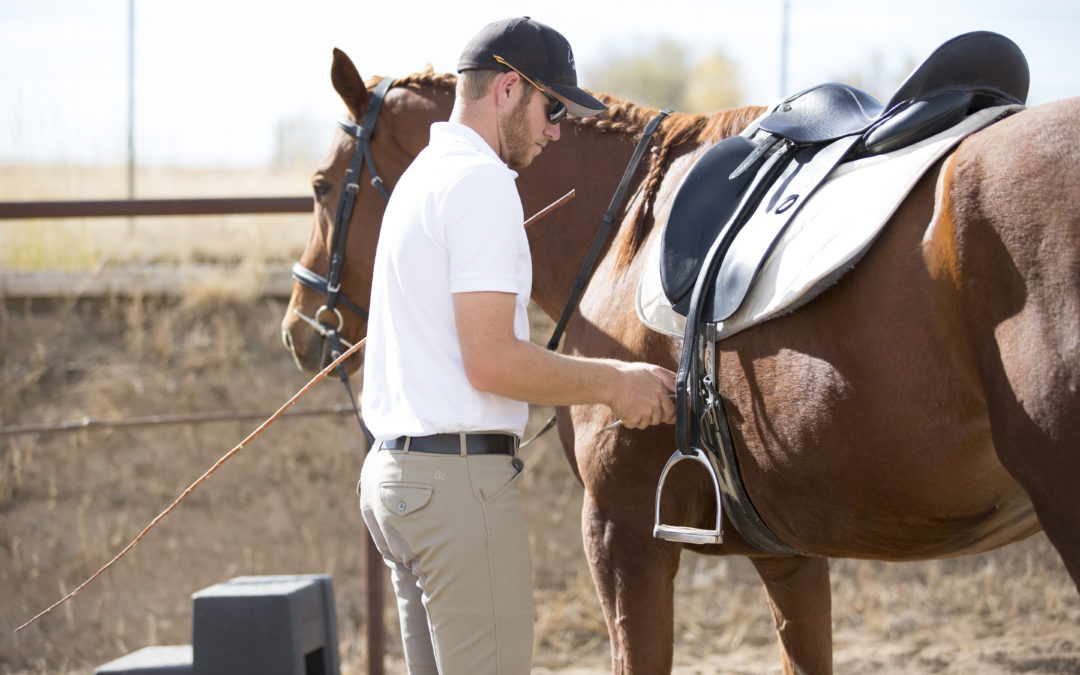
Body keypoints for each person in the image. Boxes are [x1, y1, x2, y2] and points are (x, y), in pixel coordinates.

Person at [358, 16, 677, 674]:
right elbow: (492, 360)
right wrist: (616, 383)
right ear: (509, 88)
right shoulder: (480, 185)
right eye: (552, 106)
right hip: (456, 492)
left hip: (397, 484)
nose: (556, 130)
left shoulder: (422, 176)